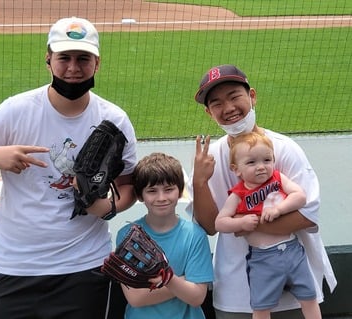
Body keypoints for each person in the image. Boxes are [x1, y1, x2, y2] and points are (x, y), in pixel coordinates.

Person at [0, 17, 137, 319]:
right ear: (48, 59)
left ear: (97, 63)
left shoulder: (115, 118)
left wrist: (109, 207)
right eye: (64, 58)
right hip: (13, 266)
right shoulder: (15, 111)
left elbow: (129, 184)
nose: (73, 68)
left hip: (85, 268)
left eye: (83, 58)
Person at [187, 64, 337, 319]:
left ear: (252, 96)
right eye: (217, 103)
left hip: (294, 288)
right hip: (235, 289)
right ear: (208, 112)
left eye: (235, 97)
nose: (229, 108)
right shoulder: (210, 158)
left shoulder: (284, 149)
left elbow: (307, 215)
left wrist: (244, 223)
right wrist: (200, 182)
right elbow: (210, 226)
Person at [215, 132, 321, 319]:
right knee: (261, 306)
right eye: (251, 162)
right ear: (236, 169)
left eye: (267, 160)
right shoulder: (238, 194)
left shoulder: (278, 179)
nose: (261, 167)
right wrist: (241, 222)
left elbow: (300, 196)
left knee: (309, 297)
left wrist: (279, 209)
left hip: (292, 249)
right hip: (263, 257)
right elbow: (220, 223)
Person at [116, 152, 214, 319]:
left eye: (168, 190)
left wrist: (168, 279)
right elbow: (136, 298)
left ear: (180, 191)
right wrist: (183, 282)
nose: (161, 198)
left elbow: (197, 297)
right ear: (140, 195)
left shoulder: (195, 235)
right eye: (152, 191)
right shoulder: (127, 235)